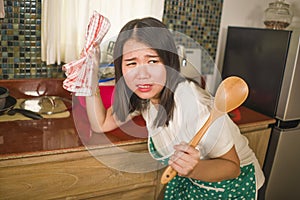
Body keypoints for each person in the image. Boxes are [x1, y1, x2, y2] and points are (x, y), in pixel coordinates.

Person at [85, 17, 264, 199]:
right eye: (131, 63)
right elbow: (101, 124)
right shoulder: (145, 97)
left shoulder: (195, 105)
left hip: (232, 187)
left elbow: (231, 167)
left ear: (168, 62)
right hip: (192, 181)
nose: (142, 74)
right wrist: (91, 82)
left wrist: (193, 169)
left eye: (152, 61)